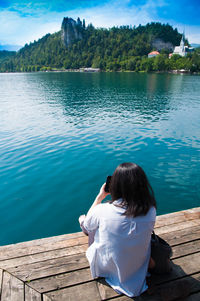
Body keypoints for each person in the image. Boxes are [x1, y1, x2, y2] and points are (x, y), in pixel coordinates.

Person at [79, 162, 156, 298]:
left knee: (87, 225)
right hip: (137, 271)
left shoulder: (102, 210)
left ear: (115, 186)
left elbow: (88, 226)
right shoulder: (151, 210)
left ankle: (82, 220)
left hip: (105, 268)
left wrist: (100, 196)